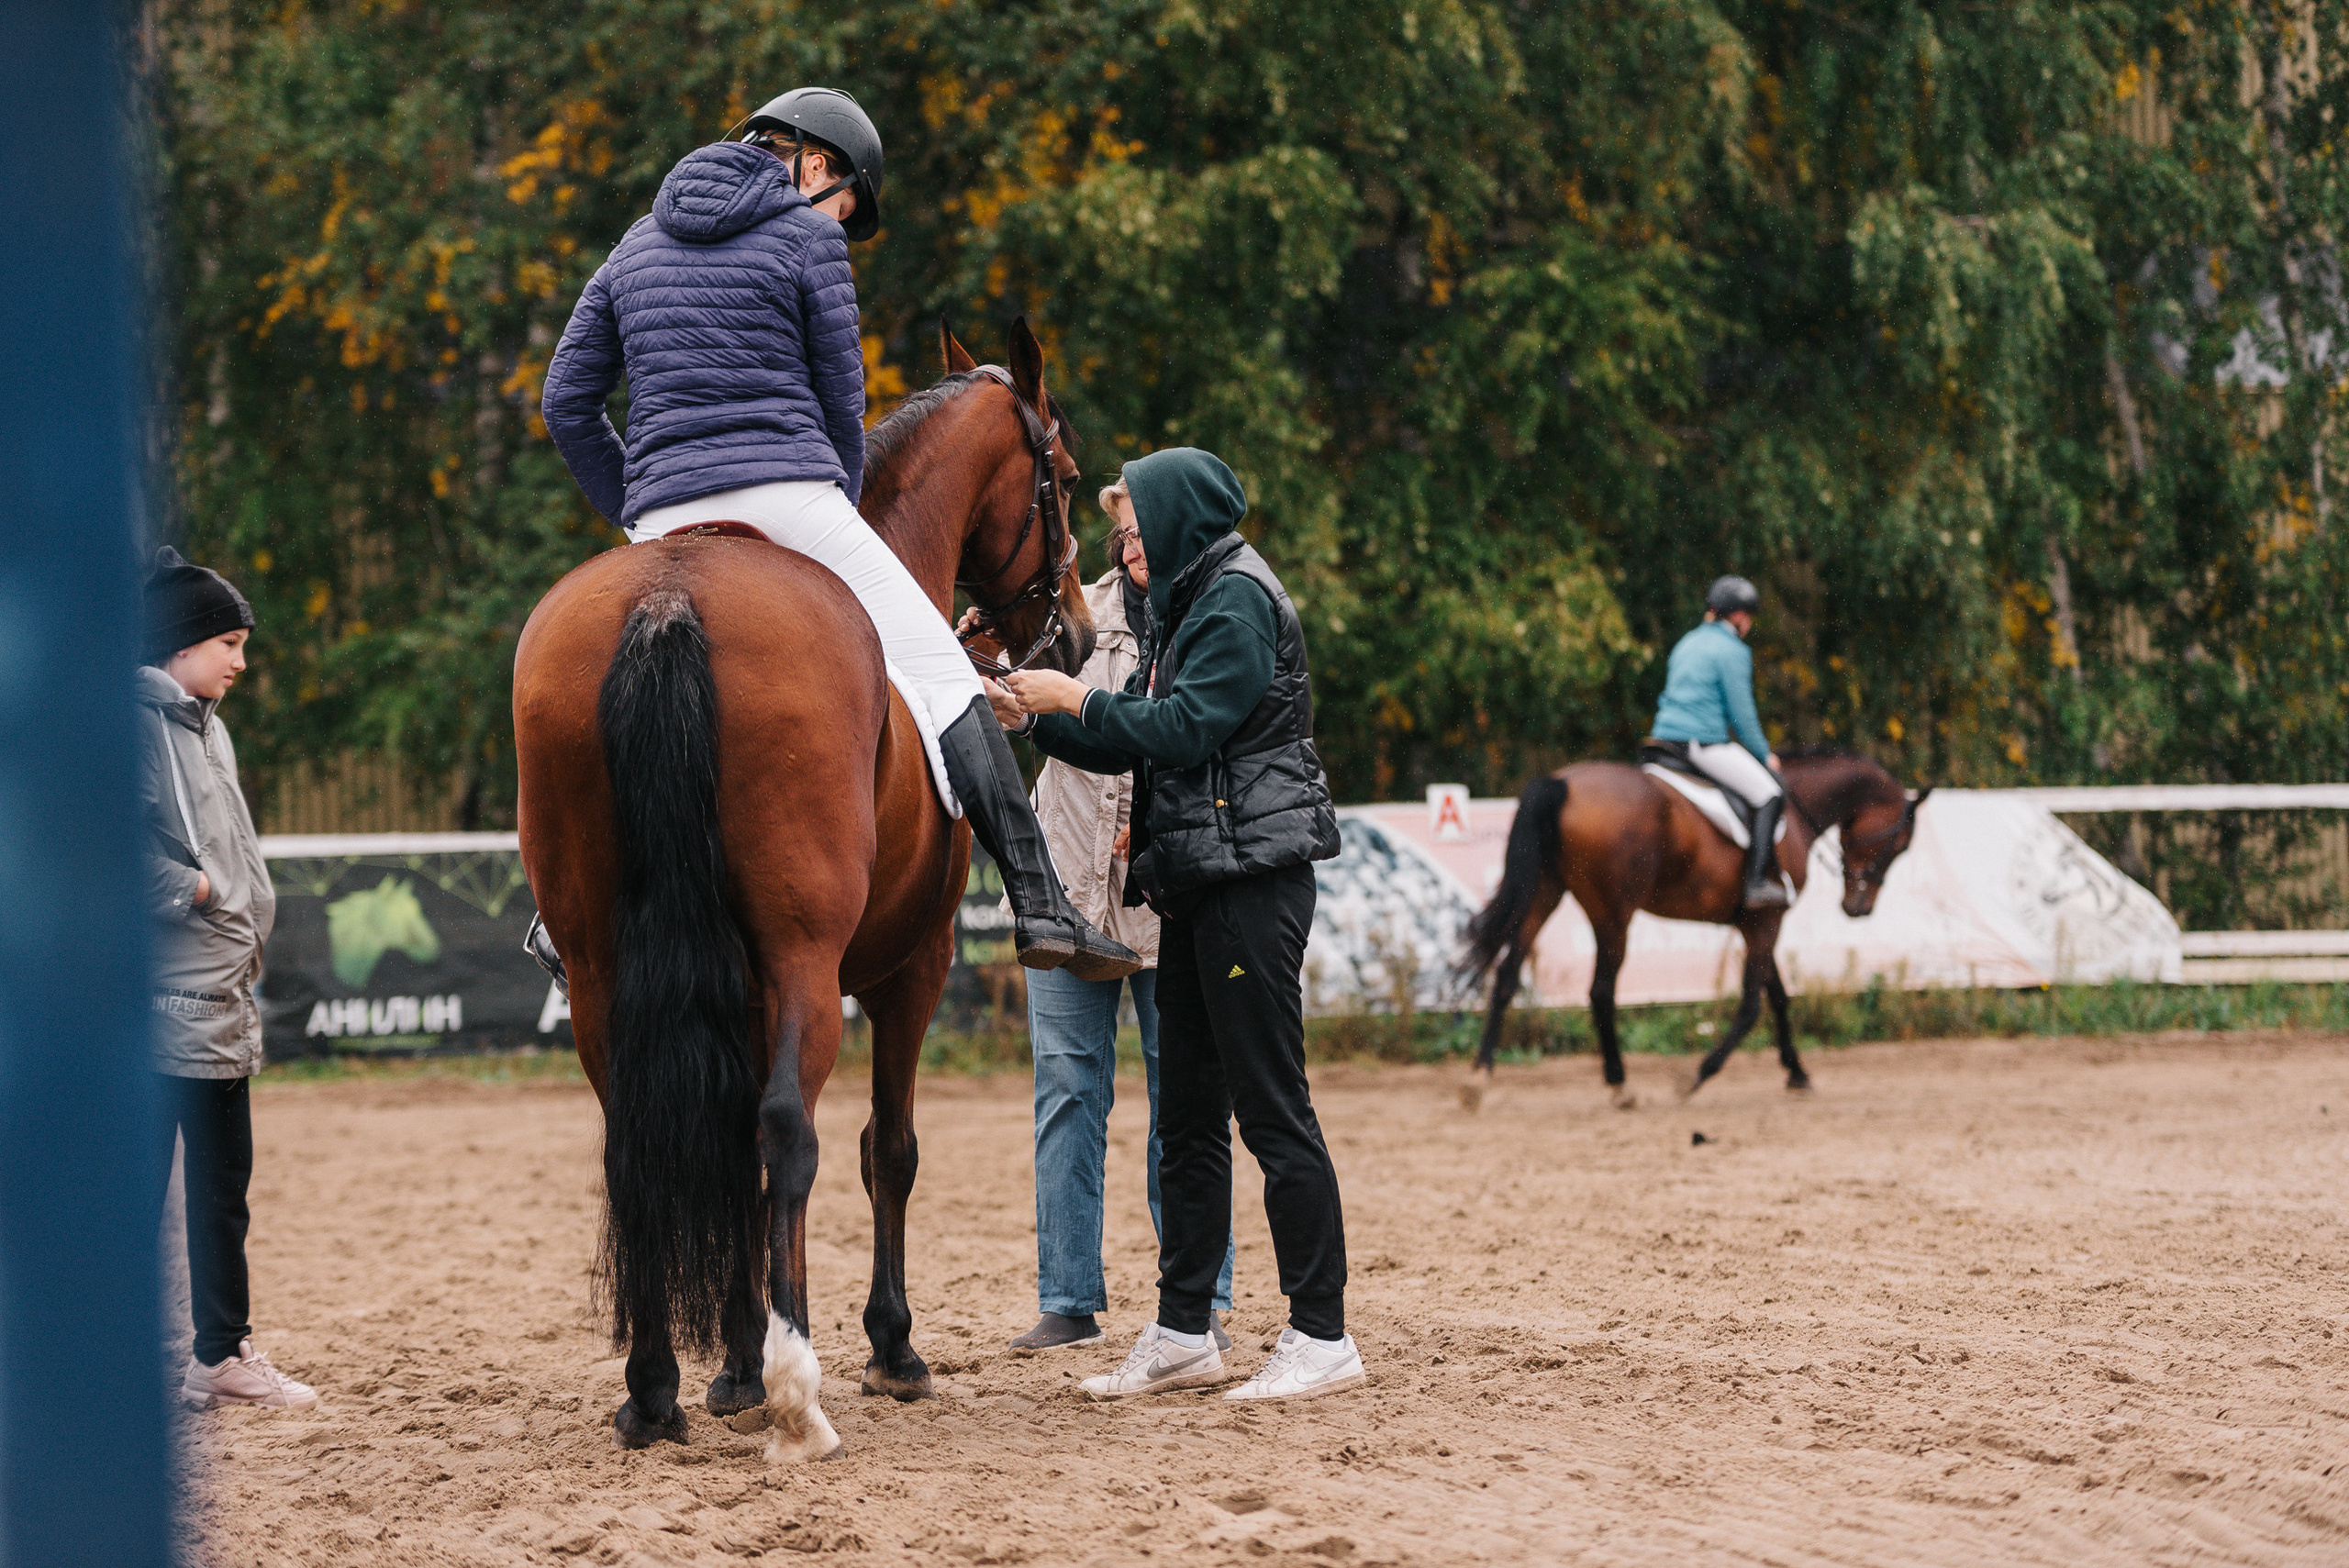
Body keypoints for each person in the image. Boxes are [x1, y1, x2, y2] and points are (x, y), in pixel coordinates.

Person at [537, 86, 1137, 984]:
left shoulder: (636, 242)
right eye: (847, 199)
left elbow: (564, 403)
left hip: (663, 511)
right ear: (816, 165)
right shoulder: (808, 234)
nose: (841, 217)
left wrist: (639, 508)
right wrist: (832, 503)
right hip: (789, 497)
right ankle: (1041, 902)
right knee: (938, 671)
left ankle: (555, 922)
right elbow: (841, 400)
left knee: (594, 686)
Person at [1001, 450, 1362, 1404]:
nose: (1124, 548)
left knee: (1271, 1112)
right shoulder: (1184, 601)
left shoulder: (1236, 599)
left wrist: (1072, 694)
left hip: (1252, 883)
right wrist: (1032, 717)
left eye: (1133, 528)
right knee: (1190, 1123)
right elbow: (1129, 730)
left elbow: (1184, 728)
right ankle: (1181, 1329)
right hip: (1199, 880)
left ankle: (1322, 1331)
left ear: (1178, 521)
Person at [991, 511, 1237, 1355]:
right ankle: (1067, 1298)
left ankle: (1203, 1295)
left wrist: (1165, 815)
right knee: (1066, 1092)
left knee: (1188, 1101)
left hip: (1169, 890)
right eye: (1123, 527)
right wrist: (984, 668)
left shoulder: (1211, 617)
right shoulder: (1071, 616)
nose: (1133, 538)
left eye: (1145, 523)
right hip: (1066, 878)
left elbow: (1202, 737)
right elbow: (1023, 701)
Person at [137, 547, 317, 1411]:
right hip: (162, 1005)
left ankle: (219, 1354)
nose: (242, 661)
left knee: (218, 1192)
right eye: (230, 642)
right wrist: (196, 889)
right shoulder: (135, 724)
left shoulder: (205, 722)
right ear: (180, 645)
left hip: (217, 1000)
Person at [1649, 574, 1788, 909]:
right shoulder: (1732, 650)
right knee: (1770, 793)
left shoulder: (1687, 641)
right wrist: (1764, 754)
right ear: (1739, 616)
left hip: (1661, 740)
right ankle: (1755, 884)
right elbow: (1741, 714)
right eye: (1749, 617)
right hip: (1701, 743)